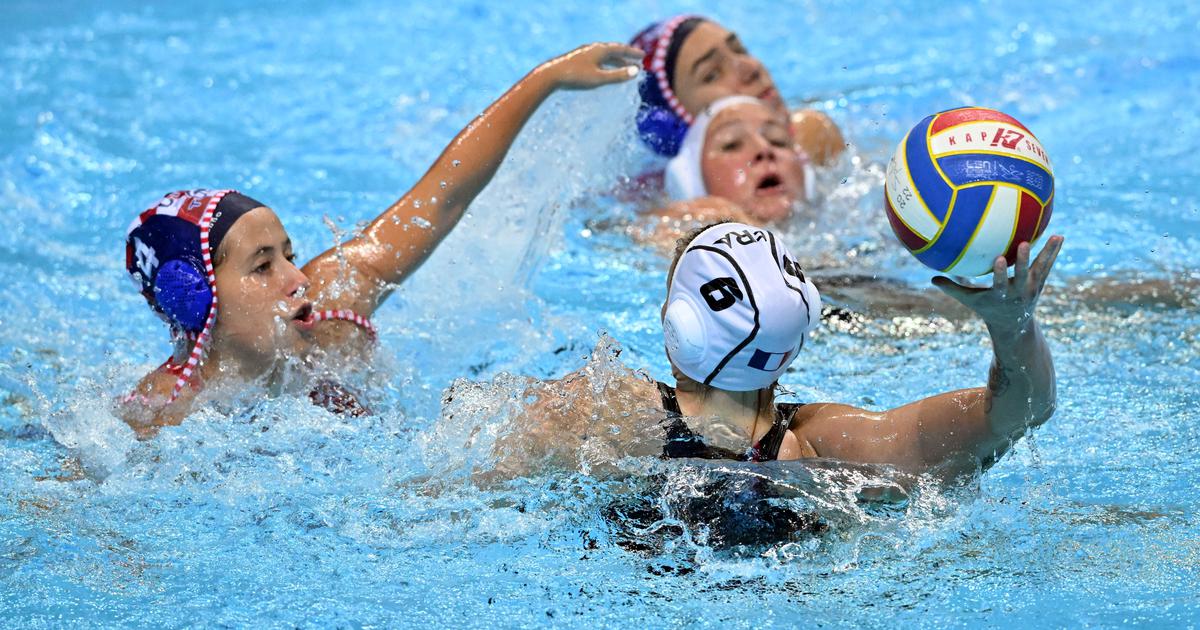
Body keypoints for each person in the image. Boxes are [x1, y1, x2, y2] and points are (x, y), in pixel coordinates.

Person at [119, 43, 644, 438]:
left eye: (289, 255)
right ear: (195, 300)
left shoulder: (331, 319)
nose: (298, 279)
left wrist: (544, 80)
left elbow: (441, 198)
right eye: (262, 266)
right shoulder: (165, 414)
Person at [475, 222, 1064, 482]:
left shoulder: (606, 413)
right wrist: (1011, 327)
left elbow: (450, 492)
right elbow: (1019, 413)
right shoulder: (825, 445)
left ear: (676, 325)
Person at [631, 15, 845, 165]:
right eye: (712, 74)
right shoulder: (659, 207)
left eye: (740, 50)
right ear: (673, 123)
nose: (751, 69)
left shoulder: (809, 138)